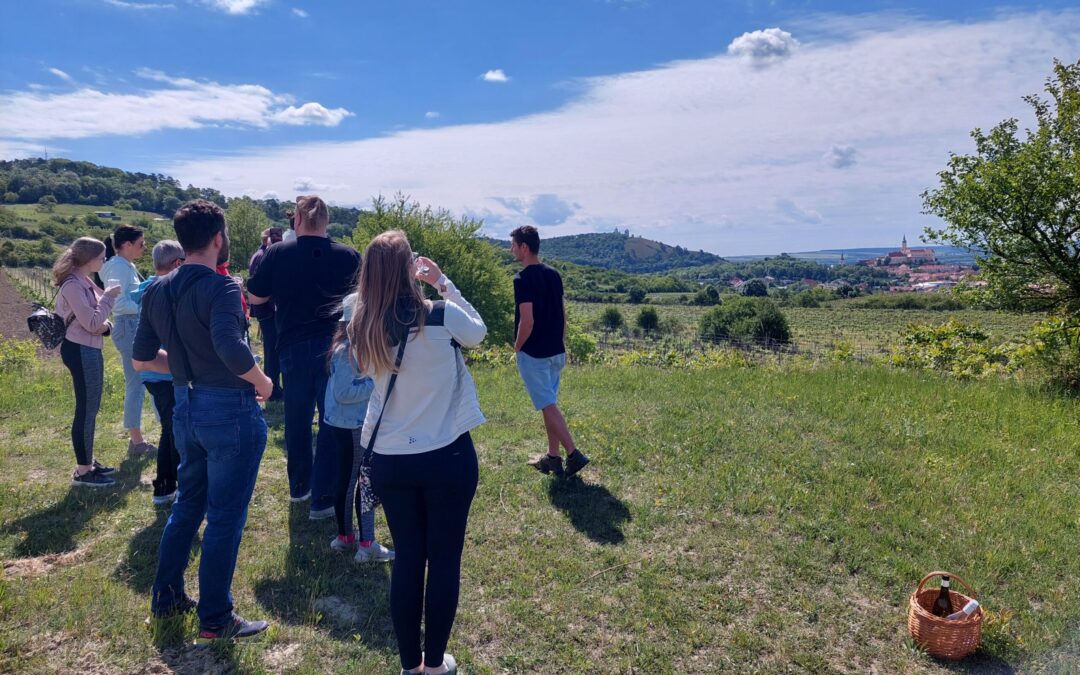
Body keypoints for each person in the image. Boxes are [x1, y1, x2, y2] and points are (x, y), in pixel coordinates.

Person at [134, 199, 273, 644]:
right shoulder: (222, 287)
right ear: (218, 238)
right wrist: (263, 381)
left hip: (185, 406)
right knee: (225, 516)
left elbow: (141, 359)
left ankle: (167, 597)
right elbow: (231, 348)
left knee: (188, 504)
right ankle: (215, 618)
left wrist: (182, 365)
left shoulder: (156, 289)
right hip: (228, 409)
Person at [349, 230, 487, 675]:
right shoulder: (443, 317)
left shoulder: (361, 326)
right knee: (444, 559)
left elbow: (364, 368)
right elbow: (479, 332)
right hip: (448, 455)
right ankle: (435, 663)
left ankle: (410, 665)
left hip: (391, 460)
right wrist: (442, 282)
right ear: (411, 268)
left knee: (409, 558)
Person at [247, 195, 359, 520]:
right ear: (327, 221)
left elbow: (256, 297)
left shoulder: (277, 253)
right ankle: (323, 496)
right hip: (336, 344)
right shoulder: (348, 256)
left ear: (297, 220)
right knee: (331, 417)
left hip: (293, 343)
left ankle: (300, 487)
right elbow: (363, 300)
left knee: (296, 417)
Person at [509, 225, 590, 477]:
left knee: (547, 404)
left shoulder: (522, 279)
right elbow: (562, 313)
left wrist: (517, 346)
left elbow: (527, 321)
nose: (511, 250)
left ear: (524, 247)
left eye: (513, 245)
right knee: (549, 404)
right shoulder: (554, 274)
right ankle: (553, 457)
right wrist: (561, 340)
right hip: (556, 351)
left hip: (534, 354)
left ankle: (573, 454)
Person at [324, 292, 394, 563]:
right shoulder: (347, 350)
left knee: (349, 479)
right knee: (363, 481)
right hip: (352, 425)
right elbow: (343, 393)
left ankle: (346, 537)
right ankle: (366, 544)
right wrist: (376, 383)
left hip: (346, 422)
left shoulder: (349, 346)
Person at [54, 237, 121, 487]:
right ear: (89, 259)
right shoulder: (73, 285)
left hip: (87, 348)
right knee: (86, 409)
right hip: (81, 350)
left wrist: (106, 323)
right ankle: (83, 471)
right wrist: (109, 298)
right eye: (102, 258)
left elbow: (98, 318)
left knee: (90, 408)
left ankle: (88, 461)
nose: (104, 261)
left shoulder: (82, 279)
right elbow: (93, 322)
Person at [130, 240, 185, 505]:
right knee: (174, 431)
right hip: (166, 374)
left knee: (171, 428)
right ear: (177, 264)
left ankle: (167, 486)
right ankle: (168, 487)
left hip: (154, 374)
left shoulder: (148, 289)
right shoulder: (167, 292)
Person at [101, 224, 156, 457]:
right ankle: (136, 441)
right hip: (128, 325)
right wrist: (147, 304)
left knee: (144, 381)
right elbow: (118, 303)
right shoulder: (118, 267)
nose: (144, 247)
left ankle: (140, 438)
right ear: (127, 244)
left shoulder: (124, 265)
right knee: (137, 383)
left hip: (132, 325)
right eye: (141, 244)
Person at [248, 227, 284, 400]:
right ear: (267, 238)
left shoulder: (262, 254)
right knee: (272, 349)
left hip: (266, 309)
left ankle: (273, 386)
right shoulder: (263, 256)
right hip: (268, 310)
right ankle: (272, 389)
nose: (279, 238)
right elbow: (260, 285)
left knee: (272, 349)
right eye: (275, 235)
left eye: (279, 235)